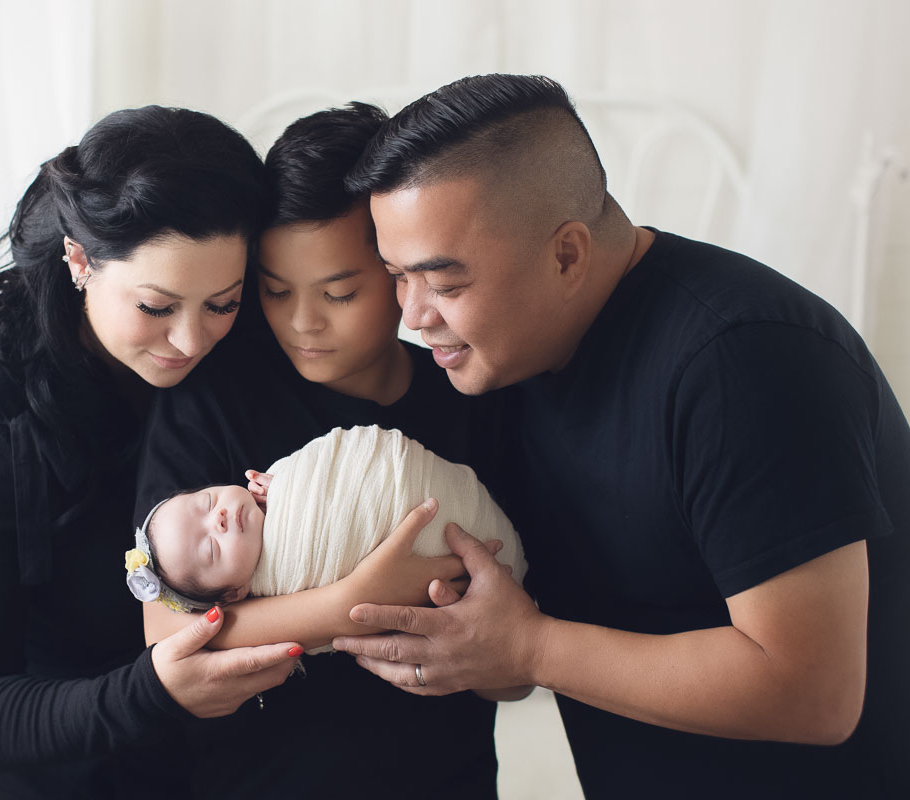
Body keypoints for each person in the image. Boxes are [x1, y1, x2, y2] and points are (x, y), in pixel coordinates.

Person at [328, 74, 910, 798]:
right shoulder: (506, 359)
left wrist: (531, 647)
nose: (415, 316)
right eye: (396, 278)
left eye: (443, 283)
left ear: (567, 255)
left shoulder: (745, 360)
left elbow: (814, 694)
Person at [0, 106, 310, 799]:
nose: (189, 341)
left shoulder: (238, 350)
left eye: (221, 302)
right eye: (155, 308)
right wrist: (151, 690)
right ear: (79, 260)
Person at [135, 103, 510, 798]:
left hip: (439, 772)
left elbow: (515, 660)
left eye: (339, 292)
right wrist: (351, 604)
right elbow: (166, 628)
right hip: (259, 776)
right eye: (275, 292)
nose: (303, 322)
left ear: (400, 272)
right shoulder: (215, 398)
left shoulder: (468, 396)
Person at [129, 425, 525, 614]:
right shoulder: (280, 590)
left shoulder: (274, 481)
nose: (217, 518)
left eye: (206, 501)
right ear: (234, 593)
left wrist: (286, 487)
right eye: (211, 548)